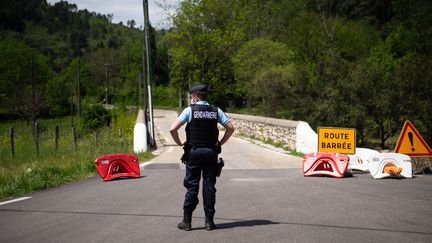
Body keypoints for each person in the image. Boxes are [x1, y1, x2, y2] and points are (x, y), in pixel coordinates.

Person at [169, 84, 235, 231]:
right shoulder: (216, 111)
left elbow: (172, 129)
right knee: (209, 186)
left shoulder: (189, 110)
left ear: (195, 97)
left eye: (191, 97)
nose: (191, 99)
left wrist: (180, 143)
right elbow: (231, 128)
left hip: (193, 152)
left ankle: (187, 222)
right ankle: (209, 222)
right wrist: (221, 142)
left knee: (192, 186)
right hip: (211, 152)